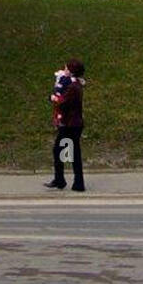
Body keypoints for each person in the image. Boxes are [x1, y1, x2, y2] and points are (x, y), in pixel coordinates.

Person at [44, 58, 86, 192]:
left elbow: (63, 103)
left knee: (59, 150)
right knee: (72, 152)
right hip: (74, 123)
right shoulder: (76, 84)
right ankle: (76, 182)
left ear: (72, 71)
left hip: (69, 124)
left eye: (67, 68)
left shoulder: (73, 87)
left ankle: (61, 180)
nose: (64, 70)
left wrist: (53, 98)